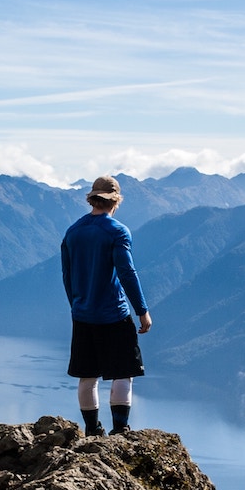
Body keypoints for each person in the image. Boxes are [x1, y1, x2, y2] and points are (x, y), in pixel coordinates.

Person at [61, 175, 153, 436]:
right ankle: (120, 429)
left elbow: (67, 276)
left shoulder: (73, 231)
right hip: (113, 314)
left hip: (82, 315)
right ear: (116, 201)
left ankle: (92, 430)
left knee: (87, 376)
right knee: (124, 371)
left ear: (92, 198)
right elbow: (127, 273)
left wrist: (77, 305)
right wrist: (142, 310)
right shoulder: (117, 231)